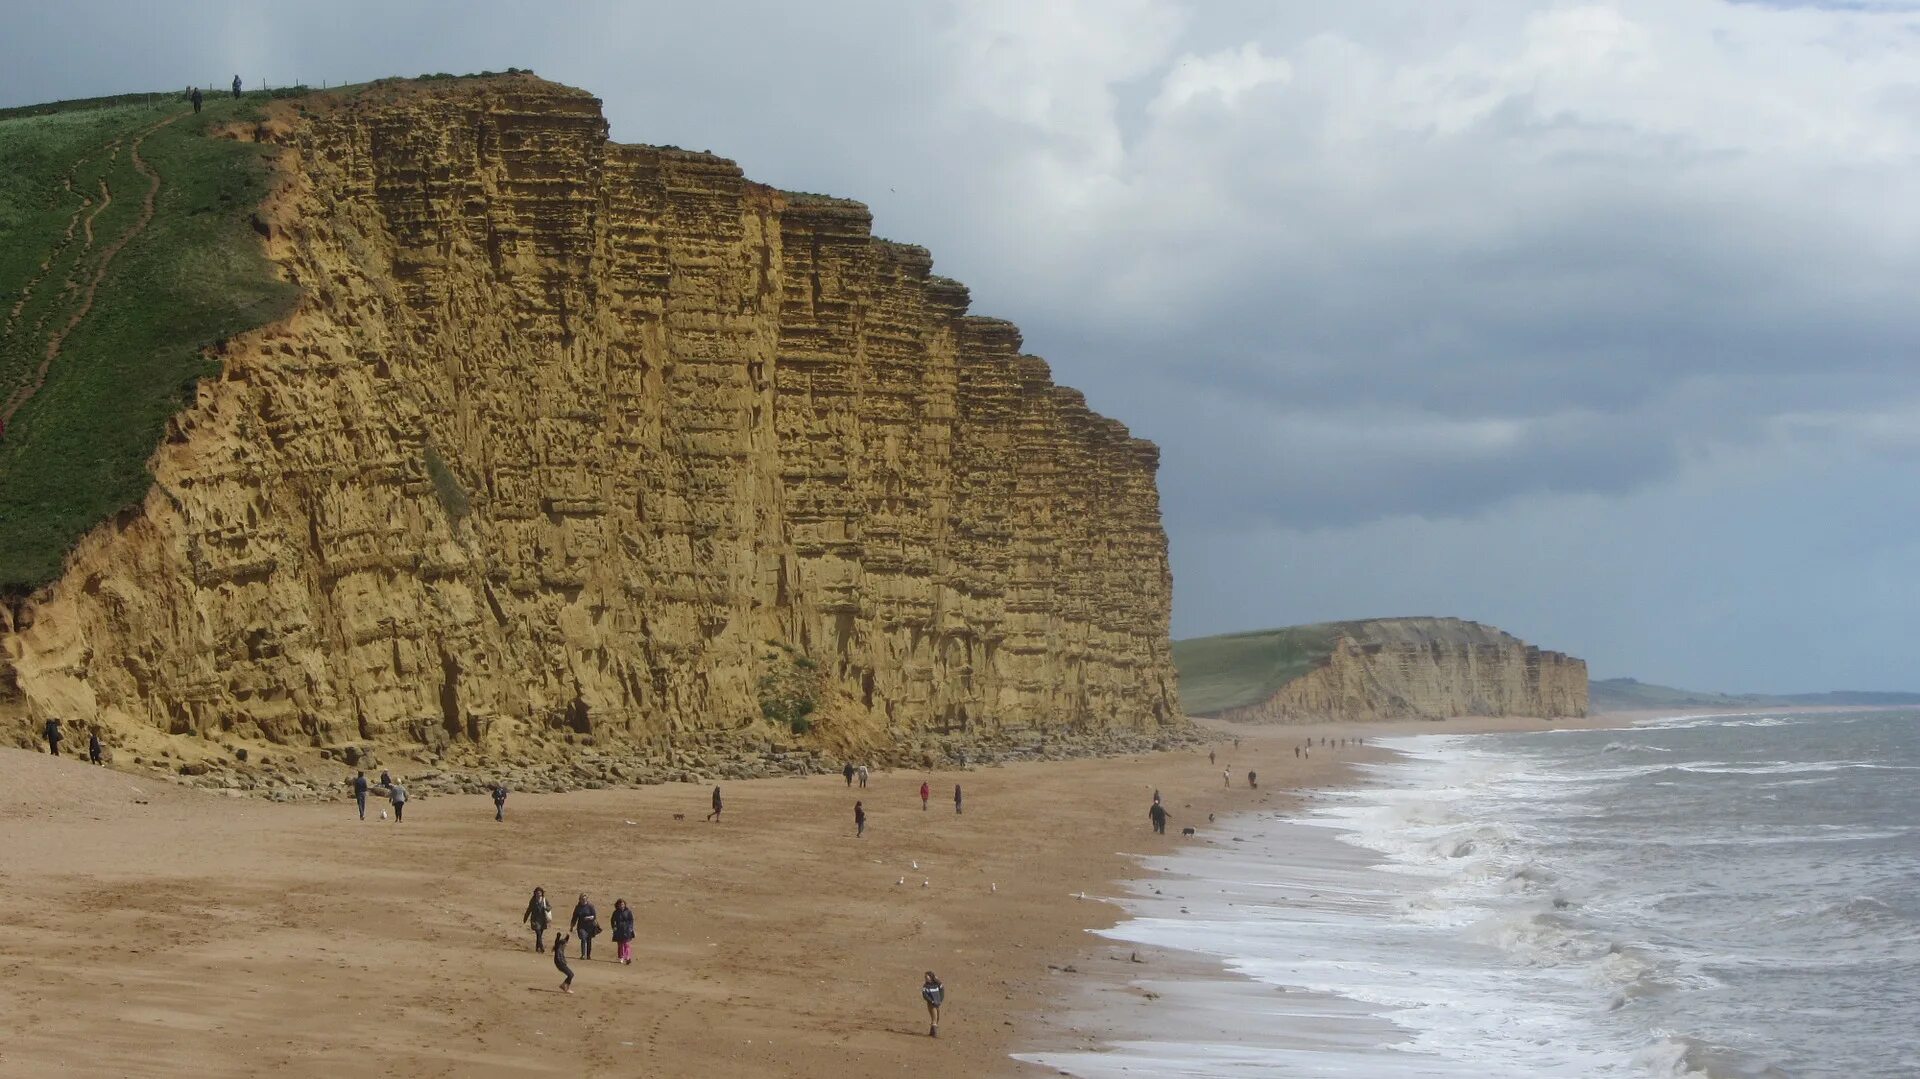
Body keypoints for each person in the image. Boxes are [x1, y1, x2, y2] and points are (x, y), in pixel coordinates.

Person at [570, 894, 599, 959]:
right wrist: (572, 926)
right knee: (583, 938)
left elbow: (594, 916)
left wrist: (589, 918)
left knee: (589, 940)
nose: (583, 900)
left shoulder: (590, 906)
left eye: (585, 899)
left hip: (590, 926)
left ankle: (588, 955)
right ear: (579, 899)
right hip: (581, 926)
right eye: (582, 899)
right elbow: (574, 917)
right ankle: (583, 954)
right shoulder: (577, 907)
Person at [524, 887, 553, 952]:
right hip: (535, 920)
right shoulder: (533, 900)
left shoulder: (544, 900)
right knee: (538, 933)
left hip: (543, 920)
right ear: (535, 893)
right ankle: (542, 948)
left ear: (542, 893)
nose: (538, 894)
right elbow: (529, 909)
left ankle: (537, 948)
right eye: (537, 893)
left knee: (539, 935)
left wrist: (546, 908)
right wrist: (525, 918)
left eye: (539, 893)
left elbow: (550, 907)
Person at [611, 899, 636, 964]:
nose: (621, 906)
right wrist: (614, 927)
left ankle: (627, 957)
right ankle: (621, 957)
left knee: (626, 944)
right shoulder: (615, 912)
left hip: (627, 930)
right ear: (617, 905)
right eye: (620, 905)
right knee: (620, 944)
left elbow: (631, 920)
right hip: (619, 930)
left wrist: (631, 927)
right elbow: (612, 921)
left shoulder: (628, 911)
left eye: (622, 904)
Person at [921, 971, 945, 1037]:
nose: (925, 978)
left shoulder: (937, 984)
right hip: (931, 1004)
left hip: (937, 1003)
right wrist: (931, 1001)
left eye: (927, 977)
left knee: (937, 1018)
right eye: (925, 977)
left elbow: (942, 990)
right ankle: (934, 1033)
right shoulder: (926, 986)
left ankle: (931, 1032)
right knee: (934, 1017)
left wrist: (940, 1000)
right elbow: (925, 995)